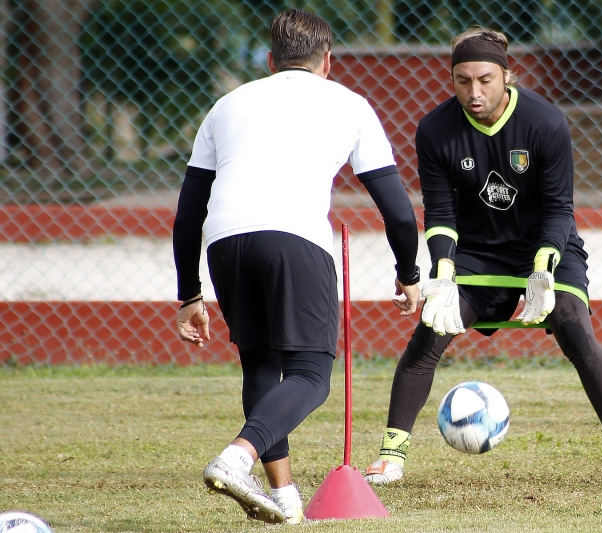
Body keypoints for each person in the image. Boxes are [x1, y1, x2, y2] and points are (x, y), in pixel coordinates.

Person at [364, 27, 602, 487]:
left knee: (573, 325)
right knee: (430, 332)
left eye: (485, 80)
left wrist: (543, 268)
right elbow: (440, 213)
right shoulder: (435, 129)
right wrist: (443, 274)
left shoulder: (545, 121)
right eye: (462, 81)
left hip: (546, 247)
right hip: (477, 253)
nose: (474, 93)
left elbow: (559, 209)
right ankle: (390, 456)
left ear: (507, 76)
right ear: (452, 79)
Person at [172, 8, 421, 525]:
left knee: (261, 365)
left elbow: (189, 212)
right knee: (311, 375)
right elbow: (397, 209)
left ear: (270, 61)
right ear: (327, 61)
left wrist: (189, 294)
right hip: (295, 240)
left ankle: (284, 499)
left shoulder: (226, 105)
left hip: (225, 242)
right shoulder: (350, 104)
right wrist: (409, 272)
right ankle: (236, 458)